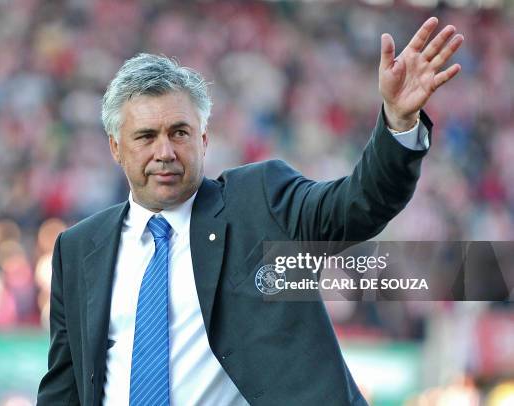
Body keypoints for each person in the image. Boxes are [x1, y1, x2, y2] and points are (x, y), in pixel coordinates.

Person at [37, 17, 463, 406]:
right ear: (116, 147)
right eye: (145, 136)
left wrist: (398, 121)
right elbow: (64, 388)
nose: (164, 152)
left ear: (203, 140)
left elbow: (359, 205)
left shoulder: (258, 202)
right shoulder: (77, 250)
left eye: (179, 132)